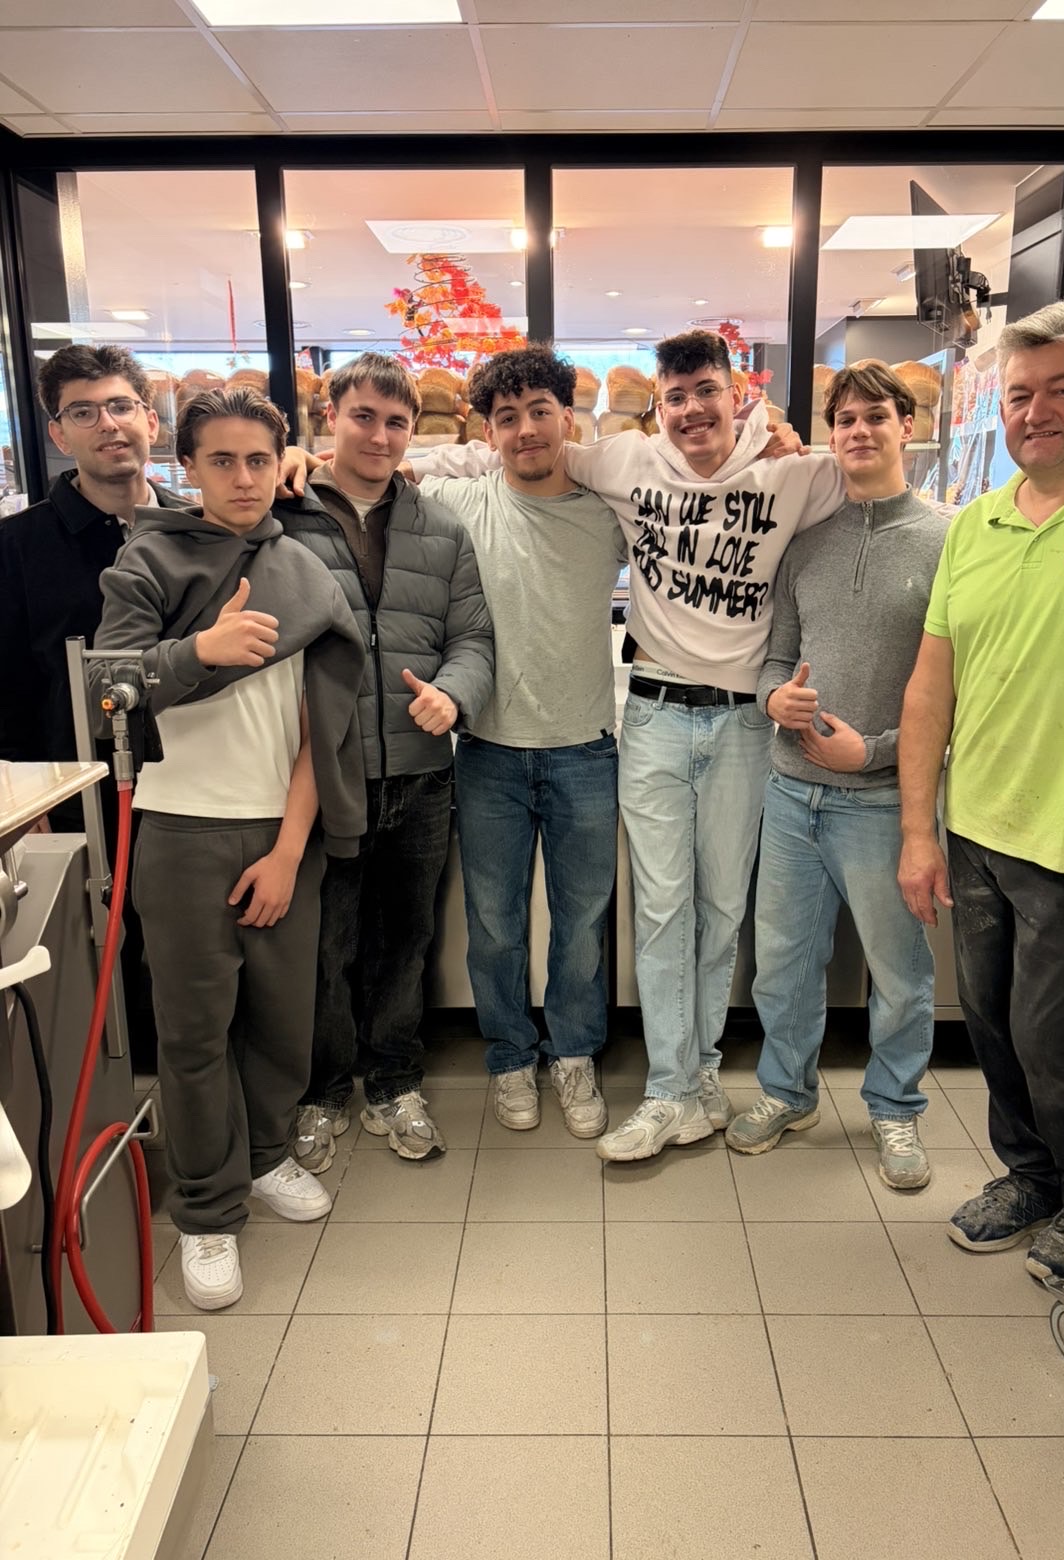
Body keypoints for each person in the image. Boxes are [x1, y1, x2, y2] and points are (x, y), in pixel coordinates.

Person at [407, 331, 844, 1161]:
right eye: (675, 397)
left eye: (706, 391)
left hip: (675, 732)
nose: (691, 409)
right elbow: (448, 464)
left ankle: (660, 1070)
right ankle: (580, 1072)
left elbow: (871, 480)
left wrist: (786, 435)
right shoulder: (559, 480)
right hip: (576, 731)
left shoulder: (738, 480)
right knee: (568, 918)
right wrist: (324, 461)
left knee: (665, 916)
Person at [898, 297, 1064, 1284]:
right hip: (978, 831)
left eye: (1061, 389)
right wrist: (919, 833)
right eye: (1019, 394)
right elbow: (931, 688)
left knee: (1057, 1042)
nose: (1035, 412)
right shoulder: (977, 524)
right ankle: (1030, 1178)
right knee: (993, 1029)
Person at [94, 386, 365, 1310]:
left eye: (258, 460)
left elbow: (321, 727)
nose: (243, 478)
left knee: (282, 1018)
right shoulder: (147, 559)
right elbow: (106, 689)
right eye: (221, 461)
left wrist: (289, 849)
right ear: (187, 467)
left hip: (282, 827)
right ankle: (207, 1210)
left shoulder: (303, 569)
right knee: (194, 1029)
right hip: (179, 830)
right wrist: (198, 651)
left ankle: (265, 1154)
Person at [0, 345, 311, 1071]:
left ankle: (198, 1103)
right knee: (98, 955)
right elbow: (7, 684)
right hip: (76, 793)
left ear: (150, 418)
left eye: (120, 405)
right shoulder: (17, 547)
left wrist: (301, 463)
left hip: (187, 791)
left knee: (199, 974)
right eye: (83, 412)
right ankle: (132, 1097)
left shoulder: (203, 523)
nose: (107, 424)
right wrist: (26, 799)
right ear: (57, 433)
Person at [726, 363, 948, 1189]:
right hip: (791, 794)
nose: (859, 431)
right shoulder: (807, 542)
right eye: (845, 419)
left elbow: (957, 693)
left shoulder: (947, 544)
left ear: (906, 427)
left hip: (884, 802)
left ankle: (895, 1108)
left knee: (900, 974)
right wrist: (772, 698)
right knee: (783, 964)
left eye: (875, 416)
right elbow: (774, 656)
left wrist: (874, 751)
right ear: (831, 433)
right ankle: (787, 1093)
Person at [273, 353, 493, 1168]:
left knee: (406, 940)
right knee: (325, 944)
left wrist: (454, 695)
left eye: (397, 421)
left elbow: (473, 638)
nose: (380, 435)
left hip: (421, 774)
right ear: (330, 416)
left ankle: (395, 1083)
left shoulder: (441, 527)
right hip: (319, 776)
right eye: (363, 416)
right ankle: (324, 1091)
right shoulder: (282, 513)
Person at [414, 346, 625, 1137]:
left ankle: (574, 1054)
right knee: (495, 925)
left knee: (582, 924)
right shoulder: (462, 501)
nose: (527, 429)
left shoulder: (609, 510)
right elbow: (379, 472)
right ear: (488, 432)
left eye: (541, 411)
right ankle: (509, 1056)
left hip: (585, 751)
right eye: (508, 417)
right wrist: (305, 459)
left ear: (567, 417)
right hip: (489, 752)